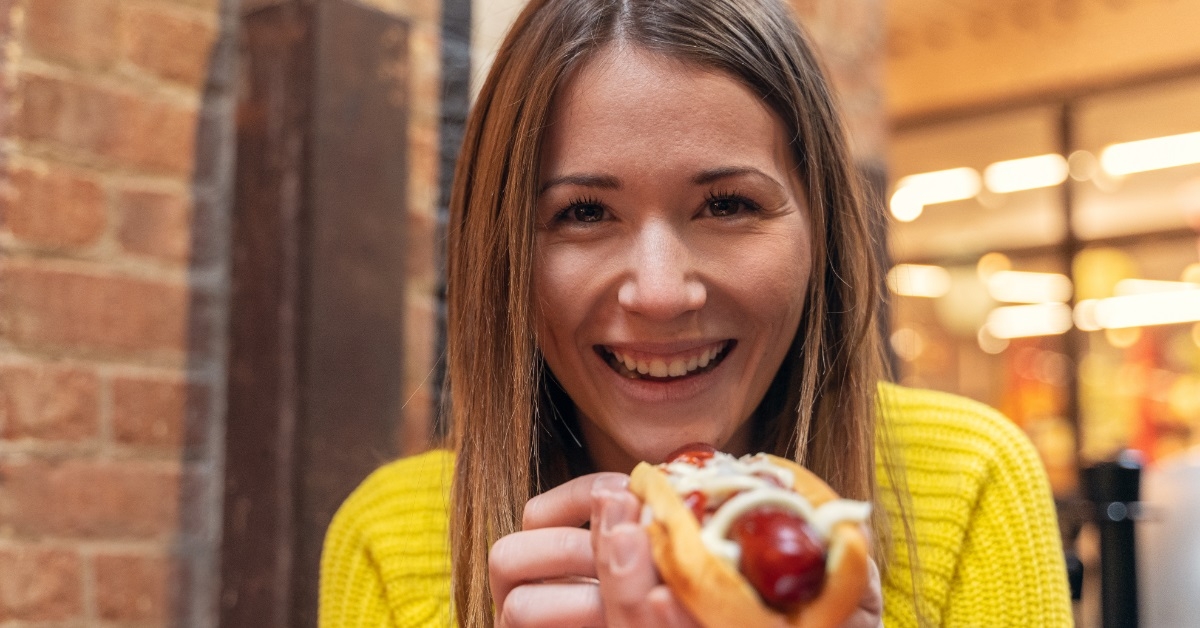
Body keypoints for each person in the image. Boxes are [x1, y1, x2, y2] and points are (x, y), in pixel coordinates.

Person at [319, 0, 1073, 625]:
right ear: (506, 255)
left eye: (727, 204)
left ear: (821, 229)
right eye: (584, 212)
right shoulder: (388, 544)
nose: (659, 292)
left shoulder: (969, 484)